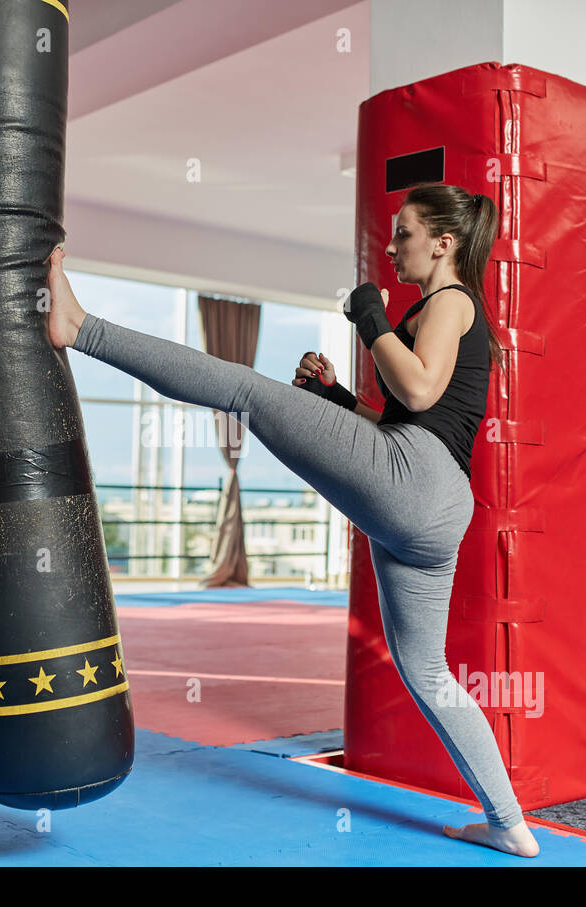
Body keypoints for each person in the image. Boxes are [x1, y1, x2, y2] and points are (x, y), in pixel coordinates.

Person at [44, 183, 538, 858]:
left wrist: (371, 318)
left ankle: (81, 328)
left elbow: (417, 387)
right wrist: (336, 397)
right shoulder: (443, 312)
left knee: (246, 390)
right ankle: (509, 823)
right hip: (434, 504)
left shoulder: (449, 302)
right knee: (426, 672)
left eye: (405, 233)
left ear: (443, 243)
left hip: (415, 482)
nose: (393, 247)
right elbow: (405, 416)